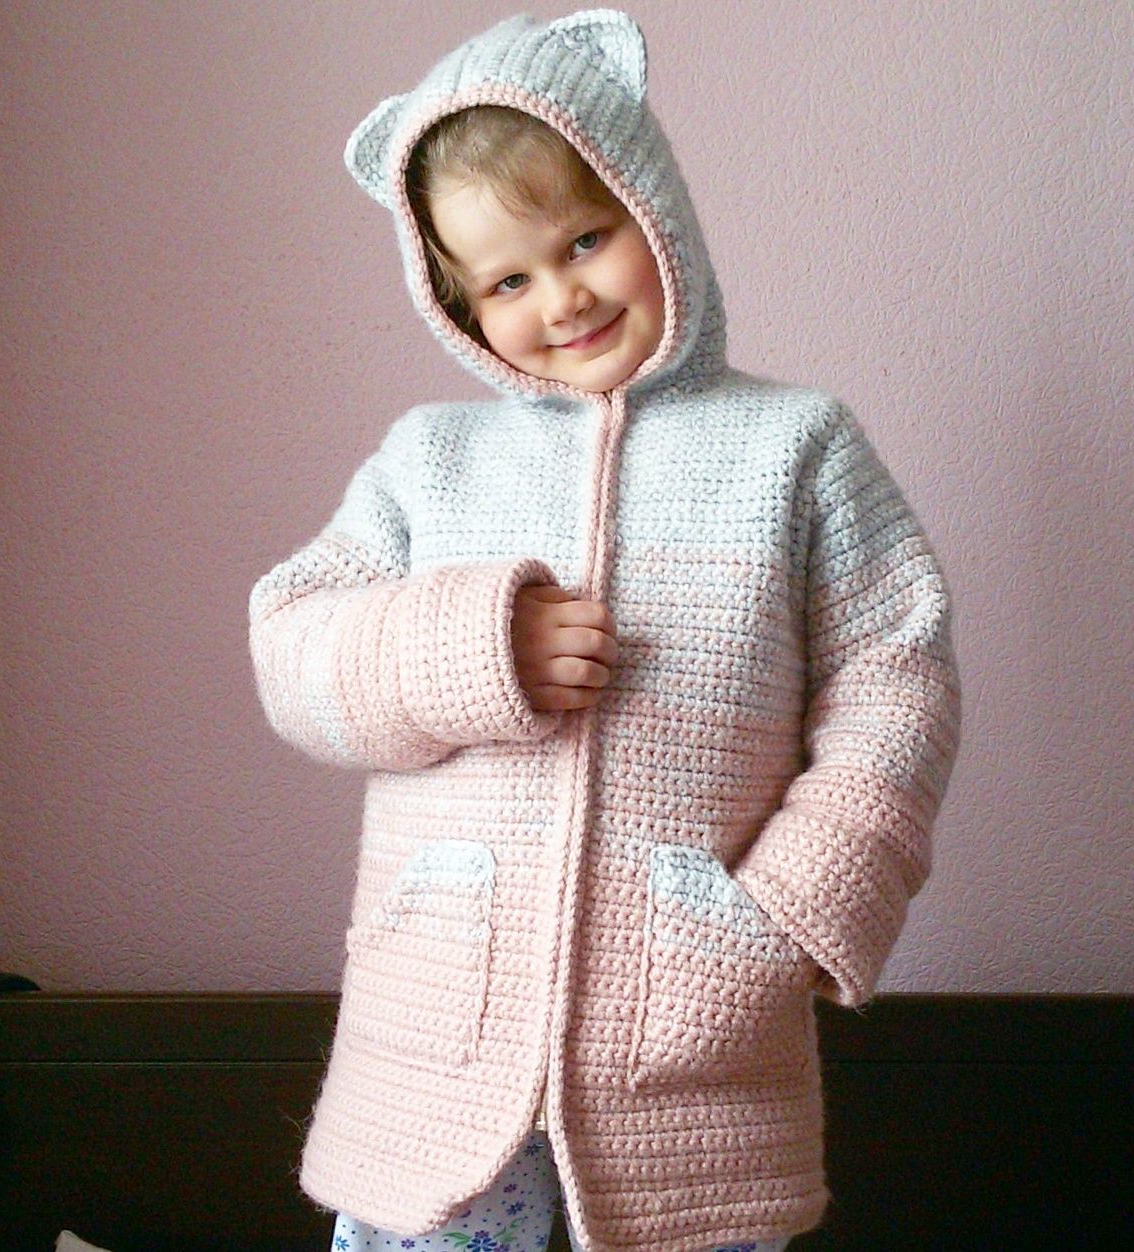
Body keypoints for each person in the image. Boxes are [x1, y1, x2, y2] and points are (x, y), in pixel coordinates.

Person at [248, 10, 961, 1252]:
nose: (562, 296)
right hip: (438, 1027)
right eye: (507, 281)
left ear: (653, 205)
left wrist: (787, 912)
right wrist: (473, 650)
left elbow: (896, 684)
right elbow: (294, 648)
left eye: (585, 239)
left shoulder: (797, 448)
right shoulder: (427, 462)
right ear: (456, 303)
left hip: (693, 1019)